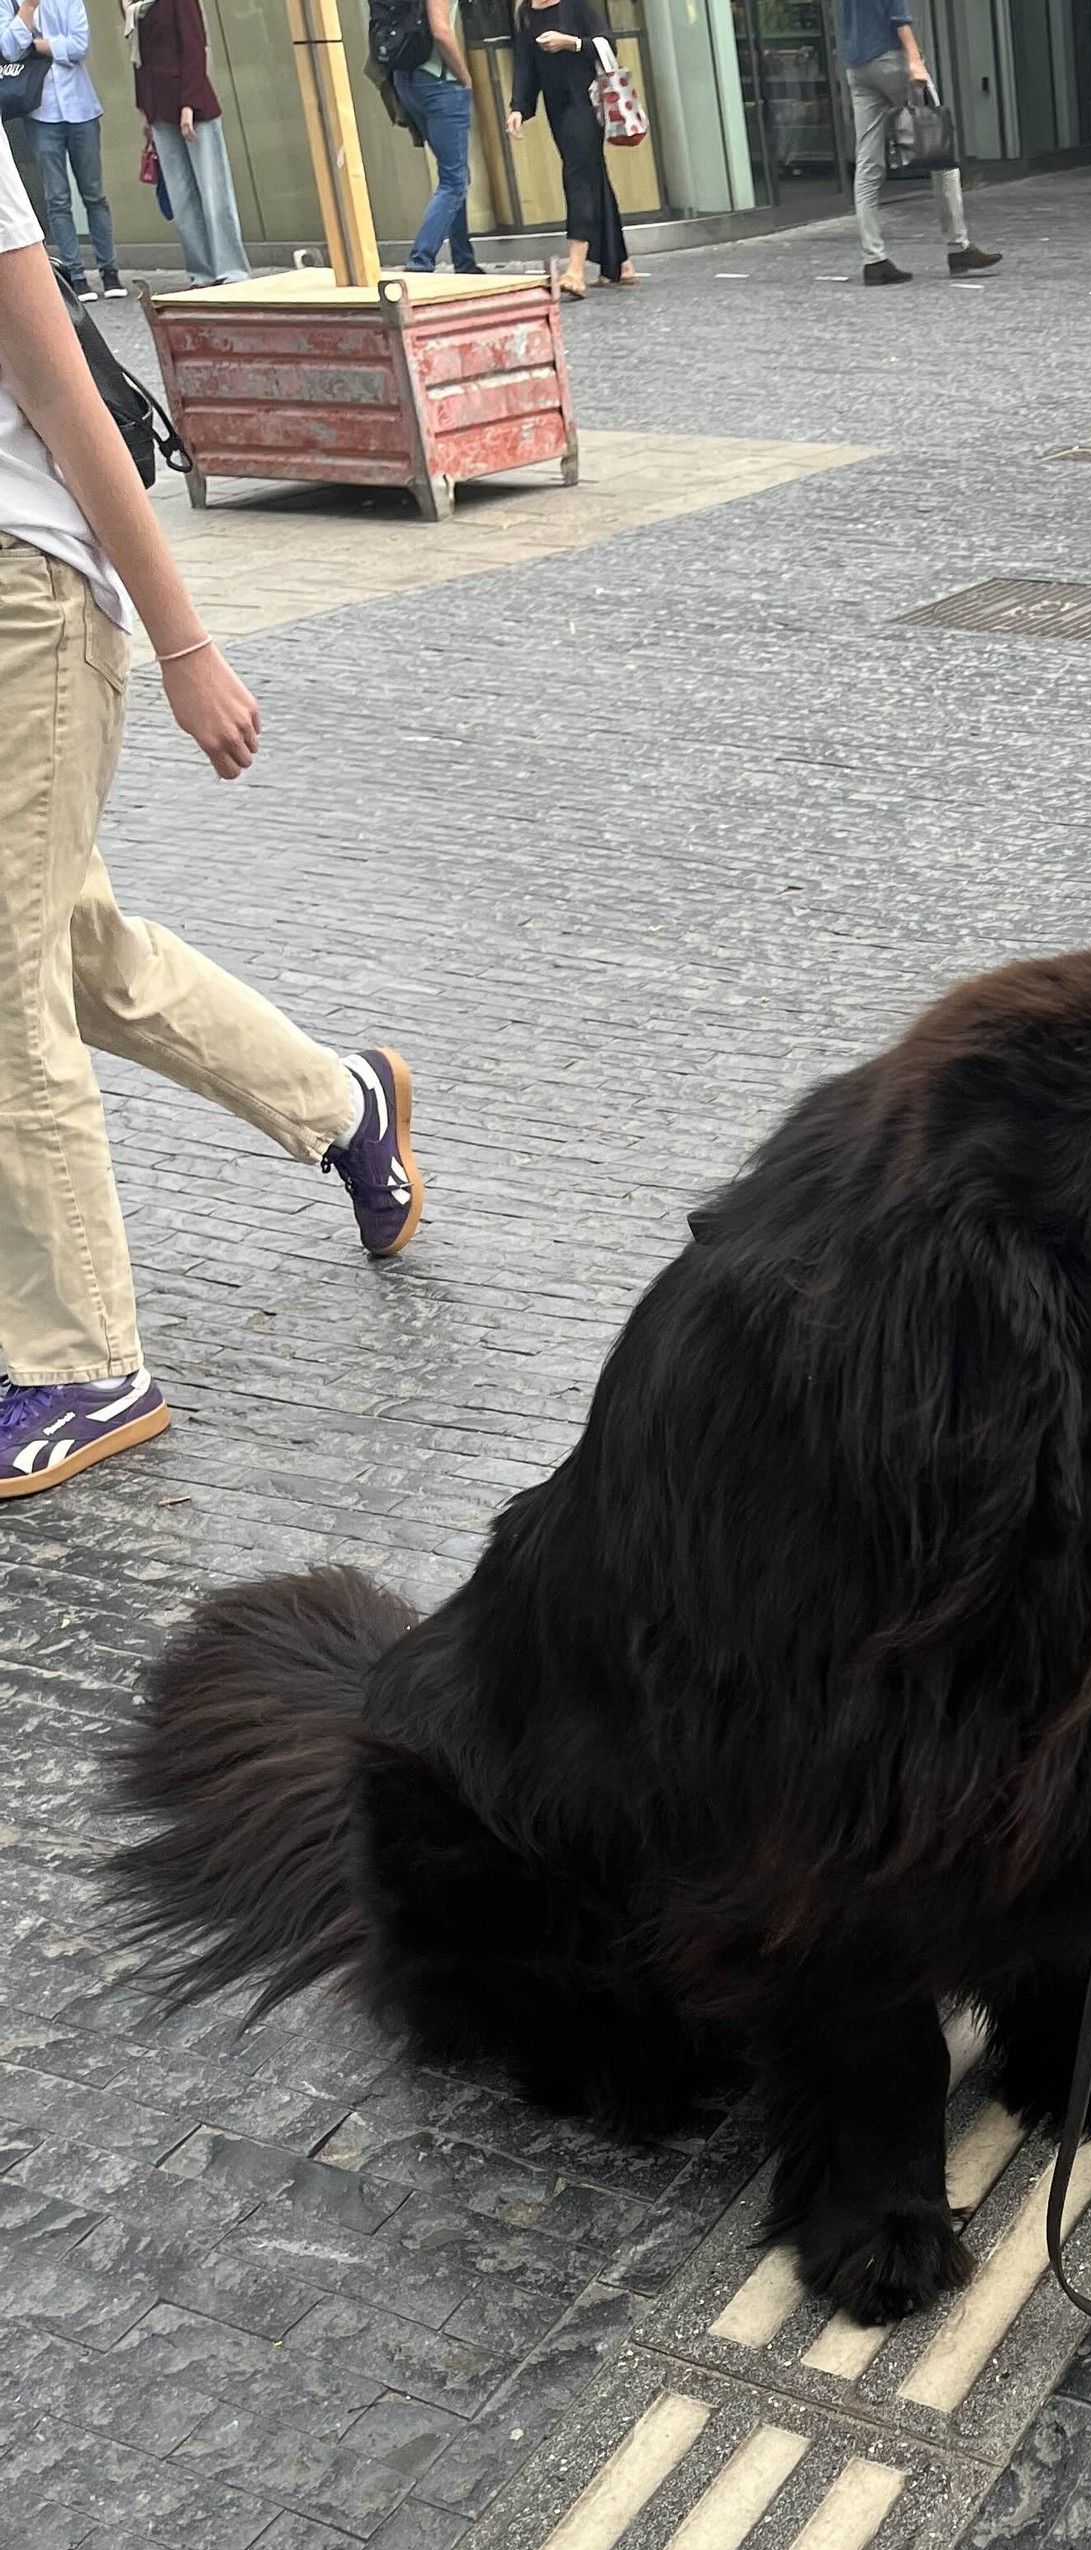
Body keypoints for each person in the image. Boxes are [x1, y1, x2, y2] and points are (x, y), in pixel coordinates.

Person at [0, 145, 422, 1500]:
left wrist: (185, 646)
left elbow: (59, 389)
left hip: (21, 604)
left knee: (7, 988)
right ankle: (346, 1103)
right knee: (75, 954)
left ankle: (82, 1363)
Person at [837, 0, 1001, 285]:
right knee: (940, 147)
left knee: (867, 163)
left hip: (858, 67)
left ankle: (874, 260)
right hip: (891, 59)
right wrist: (915, 60)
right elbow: (898, 15)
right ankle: (957, 246)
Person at [508, 0, 634, 294]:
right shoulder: (526, 12)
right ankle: (620, 264)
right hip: (558, 107)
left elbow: (607, 45)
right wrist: (518, 107)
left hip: (586, 103)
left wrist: (572, 43)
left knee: (577, 176)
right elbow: (525, 63)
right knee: (593, 176)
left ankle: (575, 269)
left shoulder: (575, 6)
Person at [1, 0, 119, 298]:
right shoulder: (9, 3)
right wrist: (27, 8)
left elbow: (80, 45)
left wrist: (36, 45)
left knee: (94, 194)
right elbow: (9, 49)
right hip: (41, 111)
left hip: (81, 107)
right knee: (57, 199)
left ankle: (109, 271)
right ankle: (75, 275)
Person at [129, 0, 251, 286]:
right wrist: (143, 109)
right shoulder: (135, 6)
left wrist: (189, 103)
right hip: (158, 106)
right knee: (182, 196)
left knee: (213, 190)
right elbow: (139, 59)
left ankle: (231, 269)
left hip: (191, 103)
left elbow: (194, 47)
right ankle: (202, 271)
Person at [389, 0, 482, 275]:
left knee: (454, 176)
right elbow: (441, 31)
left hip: (406, 78)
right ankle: (420, 260)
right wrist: (465, 77)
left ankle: (464, 261)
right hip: (438, 83)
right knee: (454, 181)